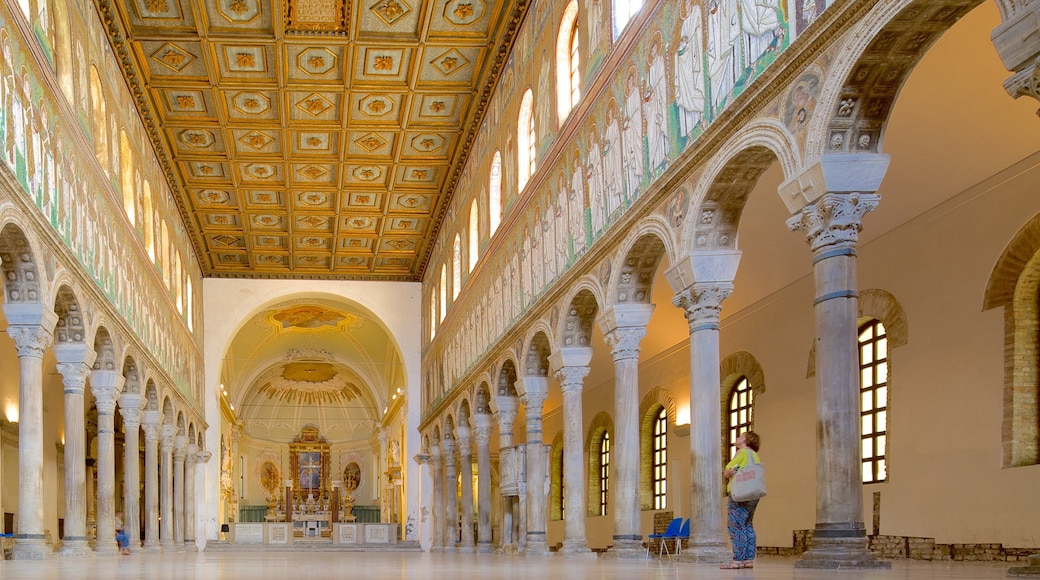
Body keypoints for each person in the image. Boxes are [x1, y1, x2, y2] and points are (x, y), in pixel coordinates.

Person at [721, 431, 761, 569]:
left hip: (740, 493)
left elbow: (727, 471)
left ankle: (737, 560)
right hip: (754, 493)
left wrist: (729, 472)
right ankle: (748, 560)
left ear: (747, 440)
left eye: (741, 436)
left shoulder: (742, 452)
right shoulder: (755, 455)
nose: (738, 437)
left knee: (735, 525)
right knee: (747, 524)